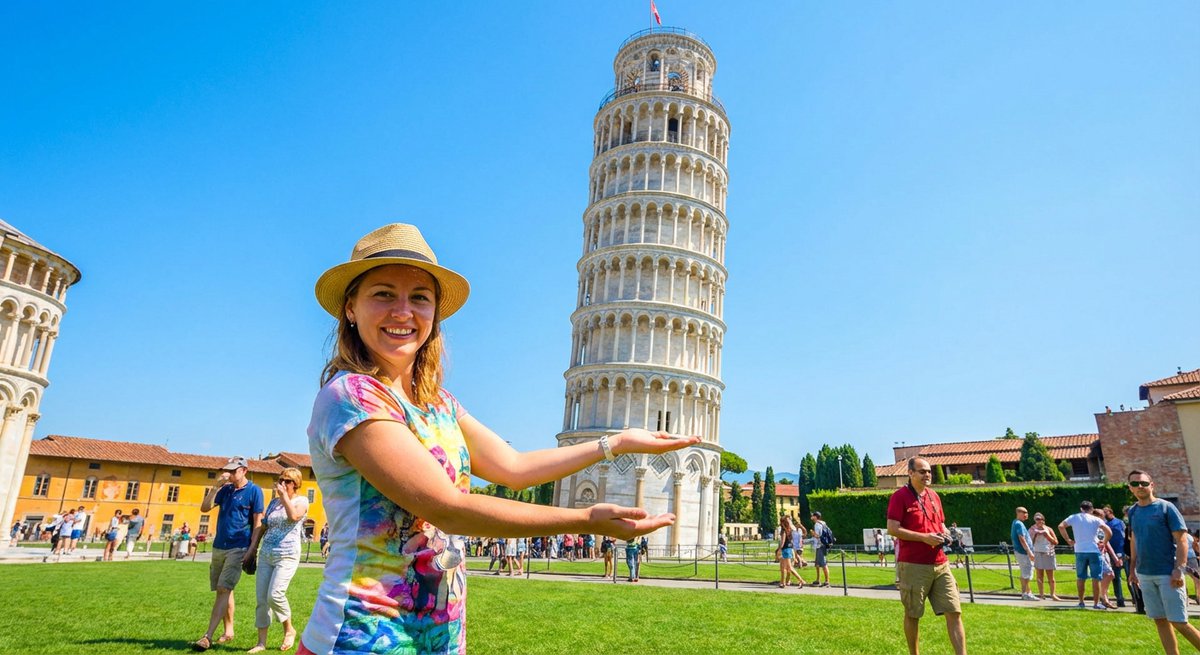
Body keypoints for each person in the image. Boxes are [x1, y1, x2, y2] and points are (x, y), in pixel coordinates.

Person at [298, 224, 696, 655]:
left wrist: (614, 443)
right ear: (351, 309)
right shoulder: (351, 397)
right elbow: (448, 510)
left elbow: (514, 467)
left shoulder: (439, 404)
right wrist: (584, 521)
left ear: (434, 316)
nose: (402, 311)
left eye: (419, 297)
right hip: (362, 638)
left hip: (440, 637)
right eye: (383, 294)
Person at [886, 457, 966, 655]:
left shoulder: (934, 496)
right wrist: (924, 538)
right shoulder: (900, 496)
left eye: (929, 471)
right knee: (913, 614)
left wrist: (946, 533)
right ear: (911, 473)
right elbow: (892, 529)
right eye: (922, 471)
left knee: (954, 610)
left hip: (940, 563)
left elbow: (940, 524)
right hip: (913, 564)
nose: (927, 475)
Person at [193, 456, 265, 651]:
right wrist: (215, 487)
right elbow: (205, 508)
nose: (229, 474)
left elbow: (258, 522)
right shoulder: (225, 490)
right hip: (219, 545)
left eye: (233, 471)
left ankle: (207, 636)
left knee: (224, 588)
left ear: (243, 471)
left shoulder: (254, 491)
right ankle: (229, 630)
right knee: (223, 589)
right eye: (228, 470)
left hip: (239, 546)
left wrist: (252, 549)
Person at [1127, 469, 1200, 654]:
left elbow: (1182, 539)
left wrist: (1179, 569)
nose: (1140, 487)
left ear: (1152, 485)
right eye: (1135, 484)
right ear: (1130, 488)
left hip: (1168, 573)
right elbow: (1134, 539)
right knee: (1160, 620)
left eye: (1144, 483)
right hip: (1145, 574)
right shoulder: (1133, 511)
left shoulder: (1166, 507)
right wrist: (1132, 569)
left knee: (1179, 621)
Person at [245, 467, 309, 653]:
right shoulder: (273, 503)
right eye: (280, 480)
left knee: (275, 595)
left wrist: (284, 497)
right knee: (262, 599)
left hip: (287, 555)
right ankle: (261, 643)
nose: (282, 484)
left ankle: (289, 629)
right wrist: (252, 550)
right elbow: (262, 527)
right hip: (266, 554)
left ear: (295, 484)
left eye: (286, 481)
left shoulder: (301, 501)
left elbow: (294, 516)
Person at [1058, 500, 1112, 609]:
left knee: (1080, 577)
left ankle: (1081, 602)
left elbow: (1061, 526)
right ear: (1091, 509)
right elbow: (1109, 531)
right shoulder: (1096, 519)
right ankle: (1096, 603)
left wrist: (1068, 539)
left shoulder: (1074, 517)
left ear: (1081, 508)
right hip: (1094, 550)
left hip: (1080, 549)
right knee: (1096, 577)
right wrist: (1104, 542)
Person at [1029, 512, 1062, 600]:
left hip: (1048, 553)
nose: (1039, 521)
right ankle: (1041, 595)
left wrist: (1046, 535)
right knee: (1039, 575)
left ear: (1043, 520)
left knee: (1050, 576)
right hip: (1037, 553)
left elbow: (1056, 542)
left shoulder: (1048, 529)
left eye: (1040, 519)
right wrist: (1035, 535)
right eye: (1037, 519)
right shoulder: (1032, 529)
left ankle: (1053, 594)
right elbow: (1030, 543)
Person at [1103, 504, 1128, 608]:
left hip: (1123, 553)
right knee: (1115, 578)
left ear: (1111, 512)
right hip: (1111, 553)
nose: (1104, 515)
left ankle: (1136, 599)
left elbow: (1125, 537)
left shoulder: (1120, 523)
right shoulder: (1104, 524)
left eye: (1106, 513)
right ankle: (1120, 599)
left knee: (1130, 577)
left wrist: (1125, 552)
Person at [1011, 507, 1036, 601]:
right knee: (1027, 573)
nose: (1026, 514)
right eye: (1024, 512)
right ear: (1018, 513)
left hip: (1021, 552)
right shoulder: (1018, 524)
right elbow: (1022, 538)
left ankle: (1026, 593)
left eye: (1027, 512)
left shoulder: (1017, 523)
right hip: (1023, 552)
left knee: (1024, 573)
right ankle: (1026, 593)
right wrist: (1029, 552)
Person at [778, 515, 804, 589]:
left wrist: (779, 550)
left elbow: (782, 542)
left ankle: (801, 580)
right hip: (789, 548)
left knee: (789, 567)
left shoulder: (783, 530)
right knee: (782, 567)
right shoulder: (789, 529)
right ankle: (782, 583)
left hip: (786, 549)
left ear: (783, 523)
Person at [810, 511, 831, 587]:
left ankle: (827, 581)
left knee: (823, 564)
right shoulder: (823, 523)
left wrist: (813, 533)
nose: (811, 516)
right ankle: (818, 580)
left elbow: (818, 536)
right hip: (822, 546)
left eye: (813, 515)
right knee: (817, 564)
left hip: (820, 546)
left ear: (815, 517)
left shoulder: (817, 524)